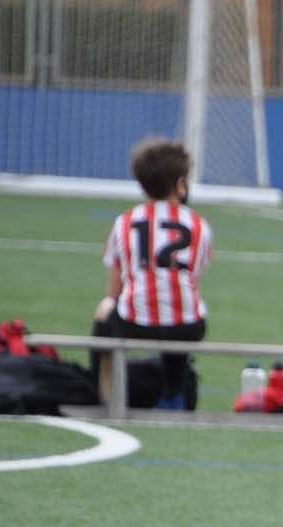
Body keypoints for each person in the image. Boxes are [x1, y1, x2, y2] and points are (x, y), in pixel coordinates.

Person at [93, 138, 213, 411]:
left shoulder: (124, 222)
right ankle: (173, 394)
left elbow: (114, 292)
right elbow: (195, 281)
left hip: (134, 324)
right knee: (184, 312)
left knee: (105, 310)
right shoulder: (199, 225)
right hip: (188, 328)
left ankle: (103, 389)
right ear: (181, 183)